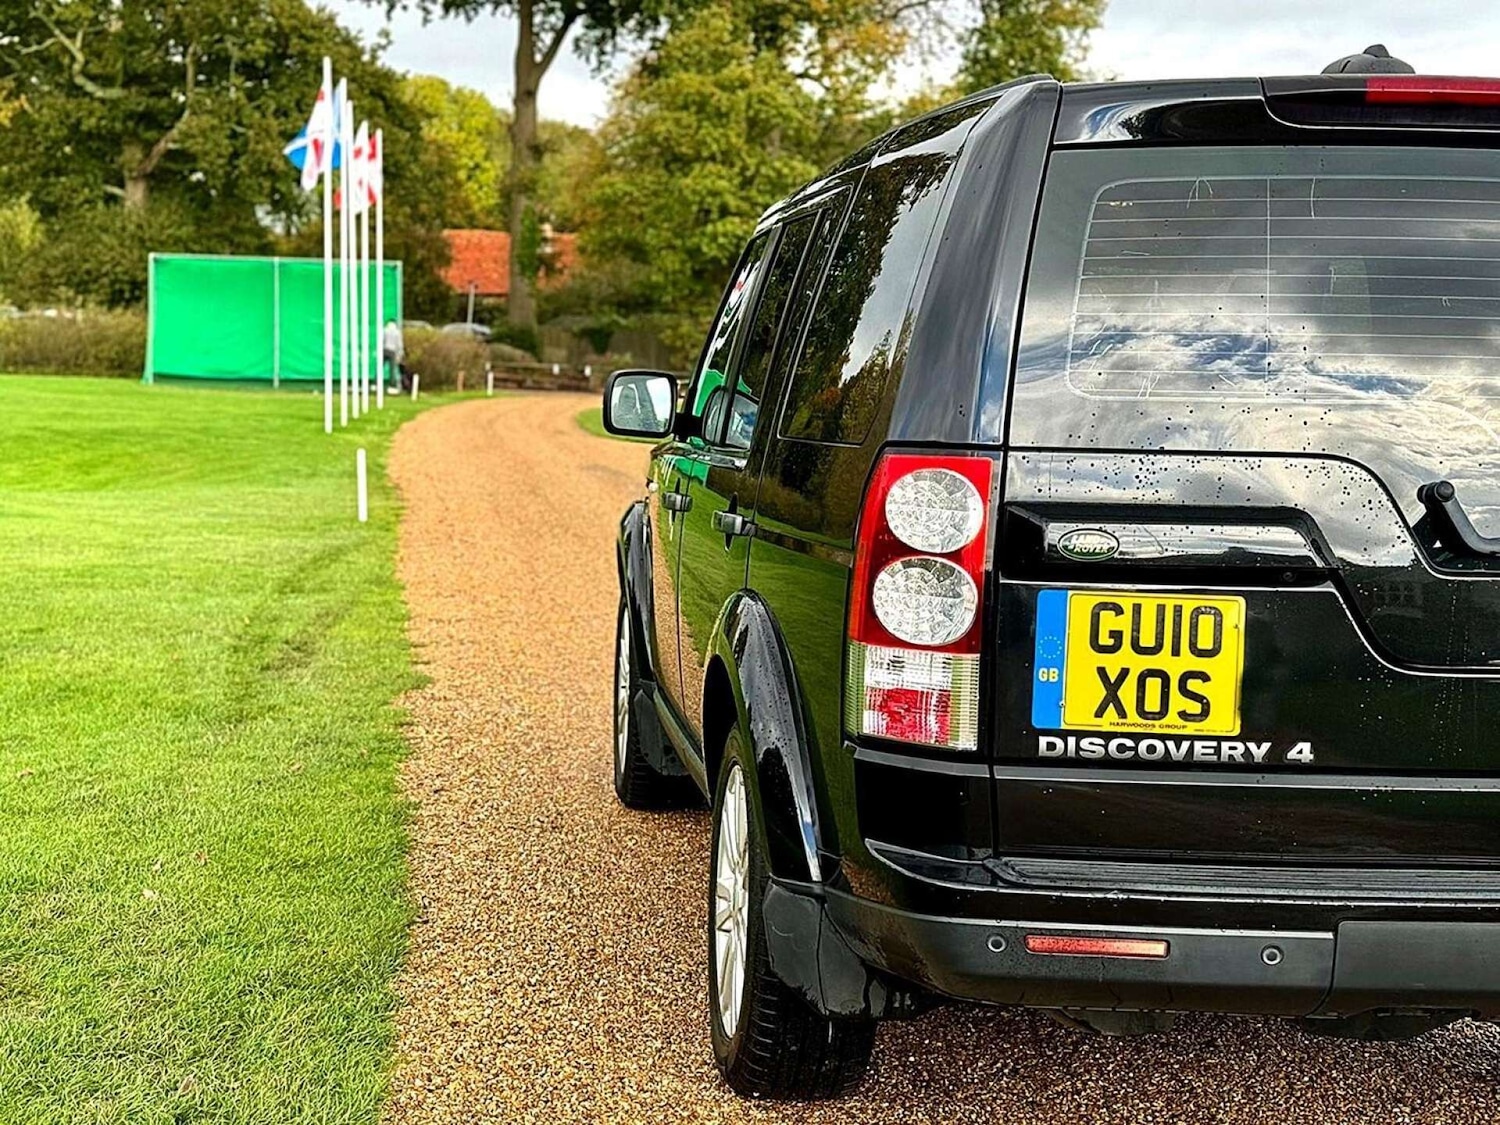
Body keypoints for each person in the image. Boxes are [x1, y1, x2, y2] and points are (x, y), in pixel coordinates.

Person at [382, 319, 408, 391]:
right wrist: (400, 353)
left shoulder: (385, 330)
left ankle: (375, 383)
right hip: (392, 351)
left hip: (384, 350)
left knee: (380, 367)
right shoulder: (397, 332)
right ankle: (392, 385)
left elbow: (382, 340)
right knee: (392, 369)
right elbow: (399, 344)